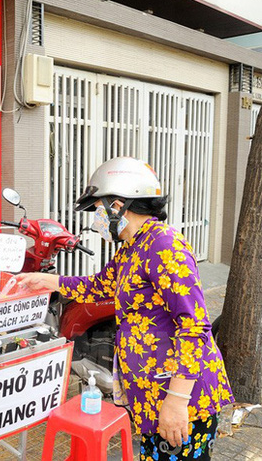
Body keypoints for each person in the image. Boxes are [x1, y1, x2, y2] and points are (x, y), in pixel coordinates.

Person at [18, 157, 233, 460]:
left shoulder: (164, 245)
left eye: (99, 210)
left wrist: (176, 401)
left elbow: (194, 325)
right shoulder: (134, 247)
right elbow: (99, 285)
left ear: (118, 206)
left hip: (181, 396)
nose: (97, 221)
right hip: (152, 396)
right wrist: (47, 281)